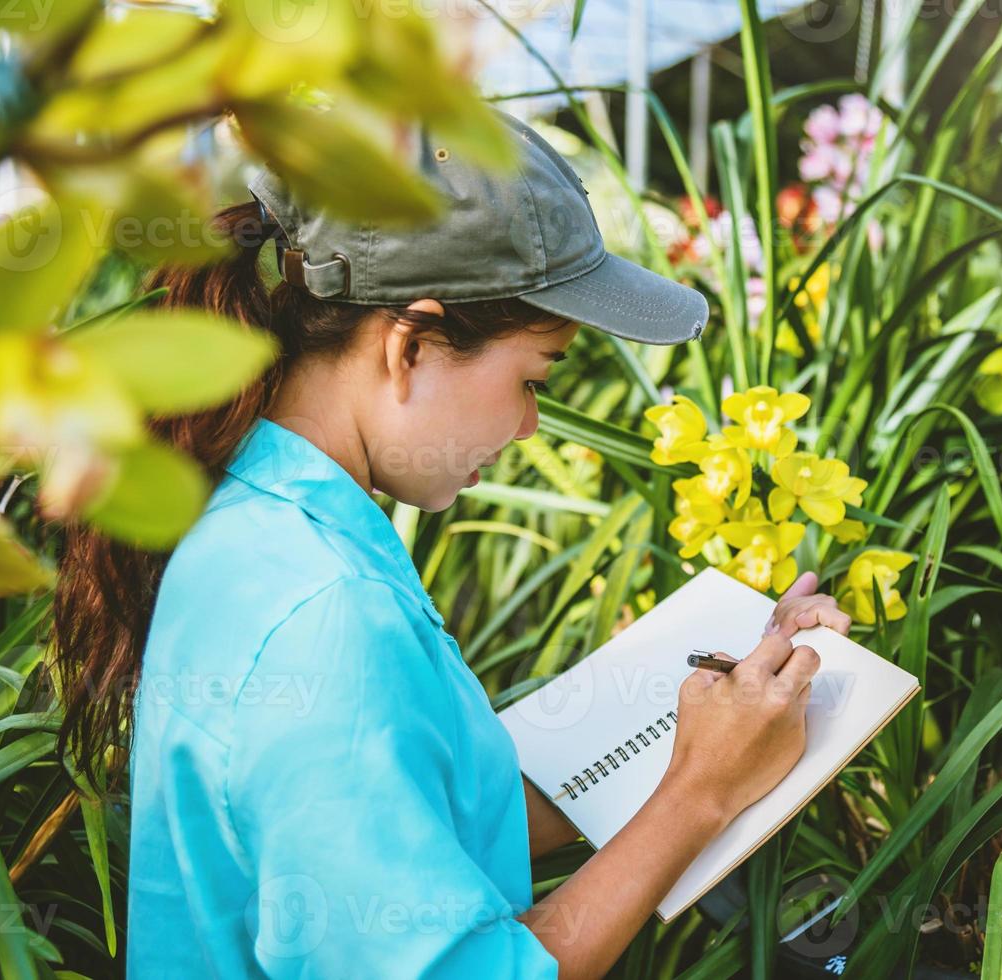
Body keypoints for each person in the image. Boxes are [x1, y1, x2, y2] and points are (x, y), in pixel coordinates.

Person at [52, 111, 852, 978]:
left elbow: (427, 821)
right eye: (530, 379)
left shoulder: (266, 521)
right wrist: (703, 792)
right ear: (410, 346)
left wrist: (723, 718)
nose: (529, 425)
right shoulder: (327, 617)